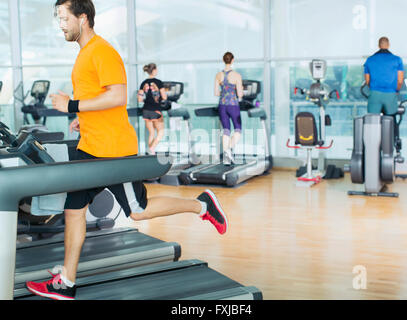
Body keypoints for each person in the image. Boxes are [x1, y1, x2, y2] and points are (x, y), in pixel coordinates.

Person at [26, 0, 228, 301]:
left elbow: (118, 96)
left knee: (138, 210)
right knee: (74, 210)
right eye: (59, 19)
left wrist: (71, 106)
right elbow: (100, 100)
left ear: (83, 18)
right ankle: (66, 281)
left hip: (111, 151)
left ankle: (202, 204)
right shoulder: (84, 54)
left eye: (65, 18)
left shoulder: (102, 51)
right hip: (89, 147)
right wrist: (83, 119)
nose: (61, 25)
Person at [214, 52, 244, 165]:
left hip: (222, 105)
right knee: (237, 129)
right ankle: (228, 149)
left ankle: (226, 155)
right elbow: (240, 94)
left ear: (223, 60)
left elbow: (216, 93)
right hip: (233, 105)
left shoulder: (218, 75)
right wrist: (237, 91)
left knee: (226, 129)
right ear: (232, 60)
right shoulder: (237, 75)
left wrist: (225, 91)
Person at [364, 37, 404, 115]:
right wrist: (396, 91)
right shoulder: (397, 59)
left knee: (373, 120)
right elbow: (400, 80)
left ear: (378, 45)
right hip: (390, 93)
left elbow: (367, 80)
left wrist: (374, 88)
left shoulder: (370, 60)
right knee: (391, 119)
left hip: (374, 94)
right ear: (389, 45)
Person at [138, 63, 166, 155]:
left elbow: (140, 99)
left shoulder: (143, 83)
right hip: (156, 110)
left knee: (151, 133)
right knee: (161, 132)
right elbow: (164, 97)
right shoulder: (158, 82)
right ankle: (152, 148)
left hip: (146, 110)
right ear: (153, 70)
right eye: (156, 69)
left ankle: (150, 152)